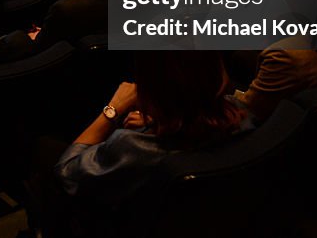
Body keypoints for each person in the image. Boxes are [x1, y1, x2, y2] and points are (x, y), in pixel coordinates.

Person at [55, 52, 253, 231]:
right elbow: (198, 110)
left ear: (149, 84)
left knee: (45, 147)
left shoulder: (131, 146)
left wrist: (112, 110)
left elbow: (67, 171)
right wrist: (163, 118)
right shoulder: (242, 114)